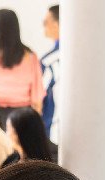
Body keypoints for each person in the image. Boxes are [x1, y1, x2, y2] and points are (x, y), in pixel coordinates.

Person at [40, 5, 60, 144]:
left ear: (57, 24)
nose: (43, 26)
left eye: (46, 22)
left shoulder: (49, 62)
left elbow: (39, 97)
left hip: (53, 130)